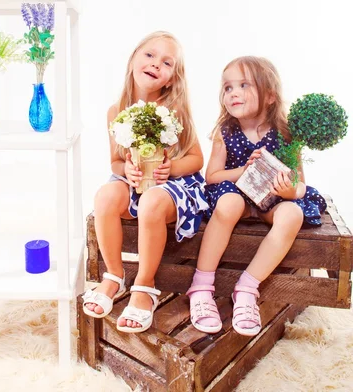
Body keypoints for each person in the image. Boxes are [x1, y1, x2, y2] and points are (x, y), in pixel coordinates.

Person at [187, 56, 326, 336]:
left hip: (269, 199)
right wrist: (242, 170)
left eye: (243, 85)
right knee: (229, 203)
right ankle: (201, 286)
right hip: (234, 192)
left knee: (293, 212)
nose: (233, 93)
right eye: (227, 88)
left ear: (271, 96)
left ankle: (248, 288)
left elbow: (298, 185)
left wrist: (288, 191)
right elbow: (212, 175)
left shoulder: (285, 133)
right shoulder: (225, 132)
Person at [83, 31, 209, 333]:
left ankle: (144, 285)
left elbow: (197, 159)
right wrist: (125, 170)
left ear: (170, 79)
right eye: (150, 55)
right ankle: (114, 275)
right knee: (105, 196)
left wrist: (172, 167)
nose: (156, 64)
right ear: (133, 60)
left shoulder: (175, 110)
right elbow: (114, 160)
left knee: (152, 200)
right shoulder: (116, 111)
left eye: (167, 63)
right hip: (135, 182)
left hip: (174, 188)